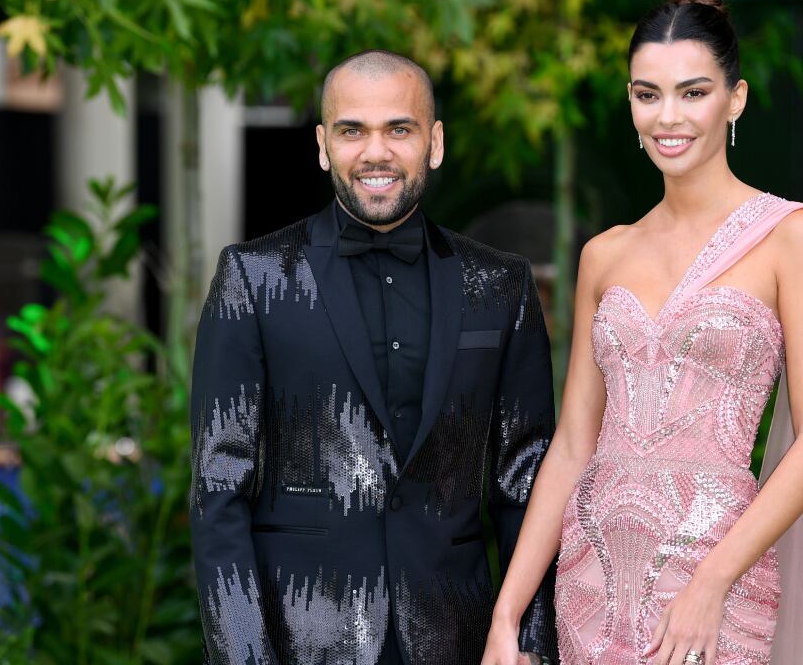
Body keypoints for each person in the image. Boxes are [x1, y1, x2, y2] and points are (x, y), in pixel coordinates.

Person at [482, 0, 803, 665]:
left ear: (735, 99)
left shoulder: (789, 237)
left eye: (692, 92)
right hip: (594, 578)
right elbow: (573, 446)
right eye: (647, 94)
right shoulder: (604, 254)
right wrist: (506, 615)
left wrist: (715, 579)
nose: (668, 117)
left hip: (721, 578)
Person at [190, 49, 558, 664]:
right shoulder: (251, 279)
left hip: (458, 643)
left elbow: (526, 488)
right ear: (322, 144)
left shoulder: (501, 287)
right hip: (298, 643)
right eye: (352, 130)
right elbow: (218, 492)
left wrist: (530, 643)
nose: (375, 152)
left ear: (434, 142)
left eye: (399, 129)